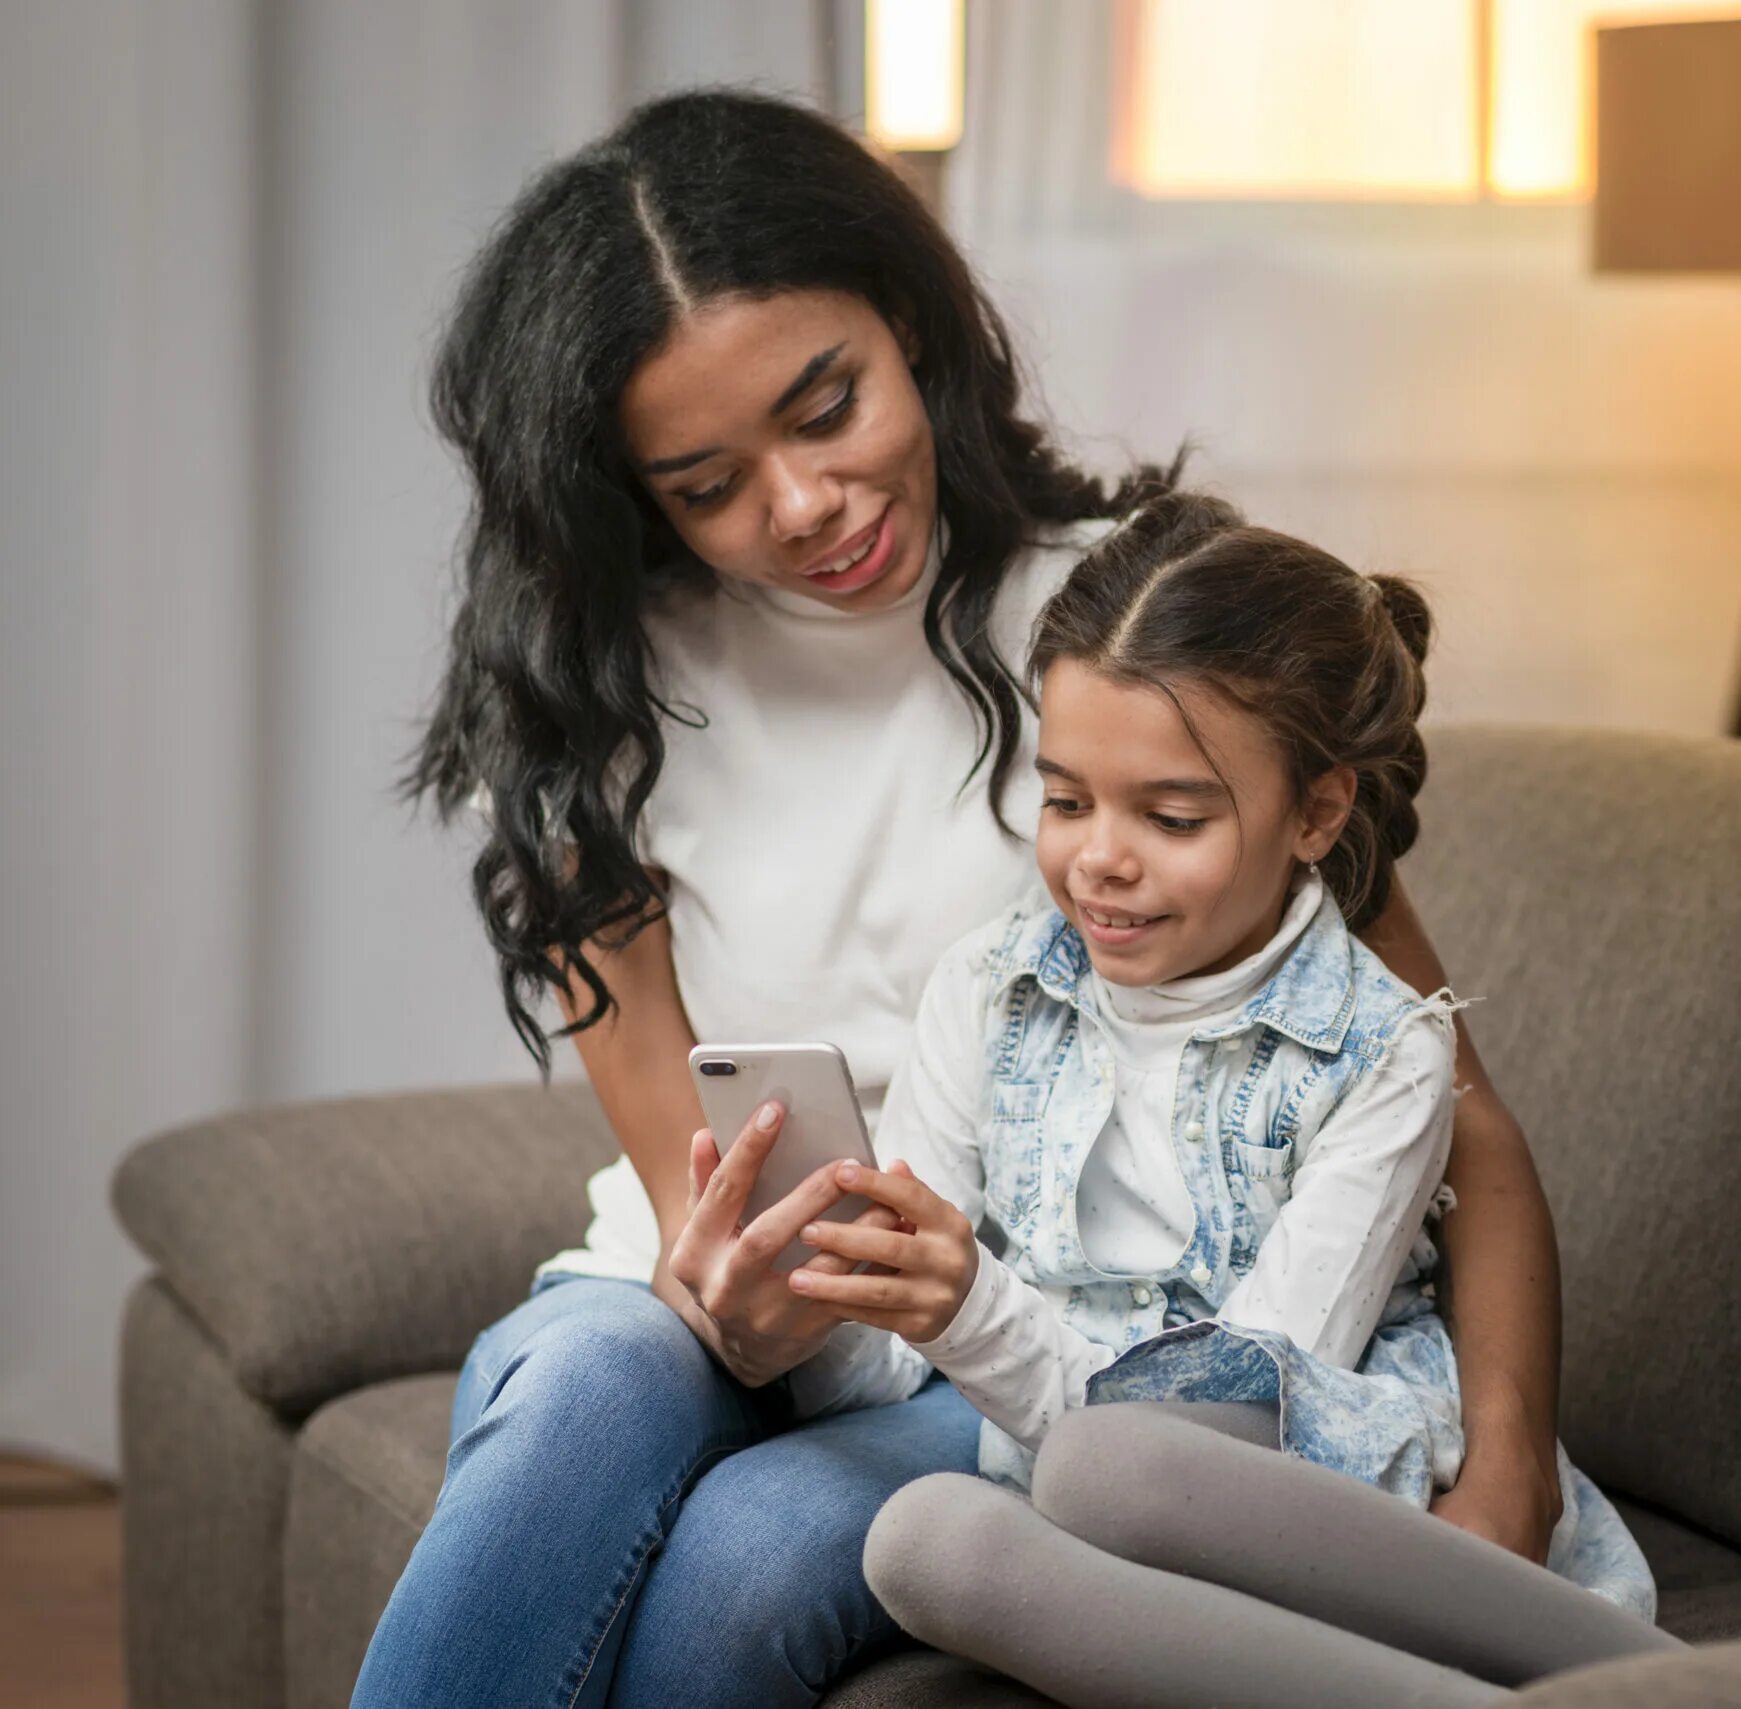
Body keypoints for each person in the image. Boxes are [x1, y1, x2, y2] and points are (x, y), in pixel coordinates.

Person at [354, 89, 1575, 1709]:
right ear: (632, 495)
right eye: (709, 482)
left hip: (1037, 1331)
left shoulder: (1132, 625)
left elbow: (1446, 1103)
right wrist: (729, 1289)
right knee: (583, 1381)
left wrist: (1511, 1473)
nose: (802, 504)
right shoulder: (603, 701)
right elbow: (683, 1178)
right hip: (738, 1303)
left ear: (913, 327)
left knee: (743, 1558)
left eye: (827, 405)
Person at [781, 493, 1672, 1708]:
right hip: (1071, 1460)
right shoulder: (988, 990)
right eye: (1064, 798)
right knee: (926, 1542)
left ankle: (1629, 1679)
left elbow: (1245, 1402)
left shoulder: (1386, 1051)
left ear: (1316, 813)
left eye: (1172, 815)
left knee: (1114, 1464)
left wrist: (973, 1307)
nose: (1100, 856)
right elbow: (884, 1358)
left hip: (1288, 1475)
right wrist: (793, 1307)